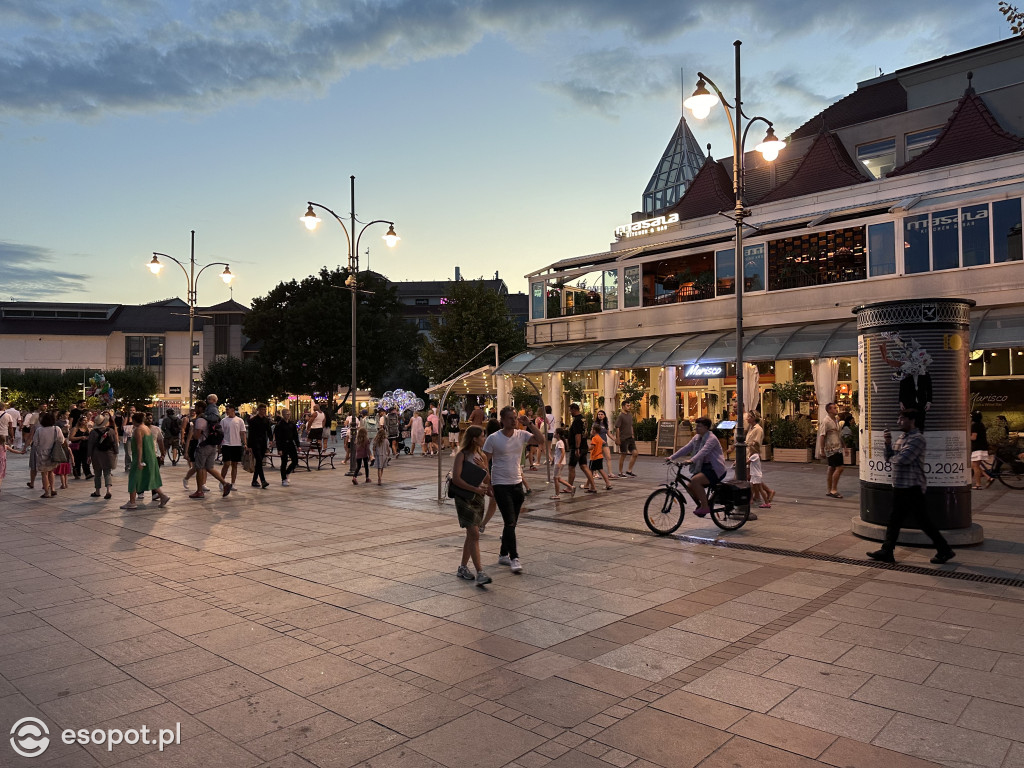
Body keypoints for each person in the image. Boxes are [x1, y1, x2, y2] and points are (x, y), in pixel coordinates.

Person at [868, 409, 955, 565]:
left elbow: (904, 459)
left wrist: (894, 457)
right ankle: (887, 551)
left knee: (921, 521)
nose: (898, 422)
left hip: (912, 486)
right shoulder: (902, 438)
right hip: (900, 485)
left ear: (911, 420)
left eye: (902, 419)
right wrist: (887, 443)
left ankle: (944, 550)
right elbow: (890, 458)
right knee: (896, 519)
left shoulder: (917, 439)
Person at [482, 407, 543, 574]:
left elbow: (540, 439)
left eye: (515, 418)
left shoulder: (521, 435)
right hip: (500, 484)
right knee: (509, 521)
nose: (513, 421)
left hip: (517, 483)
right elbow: (484, 462)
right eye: (510, 418)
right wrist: (488, 483)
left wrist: (529, 424)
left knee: (512, 523)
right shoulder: (493, 438)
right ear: (502, 420)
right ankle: (514, 557)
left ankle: (503, 553)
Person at [452, 425, 493, 587]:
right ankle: (480, 572)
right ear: (474, 438)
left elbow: (487, 479)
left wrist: (484, 468)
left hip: (478, 497)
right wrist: (474, 488)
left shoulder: (482, 455)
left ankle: (462, 567)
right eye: (482, 436)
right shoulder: (461, 455)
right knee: (475, 534)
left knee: (471, 535)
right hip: (464, 497)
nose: (484, 439)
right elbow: (456, 479)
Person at [668, 417, 726, 518]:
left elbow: (703, 451)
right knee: (689, 487)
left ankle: (705, 506)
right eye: (696, 426)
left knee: (695, 481)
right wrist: (671, 457)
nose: (696, 428)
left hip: (715, 469)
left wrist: (691, 460)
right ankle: (704, 503)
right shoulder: (697, 437)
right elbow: (686, 448)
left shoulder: (711, 438)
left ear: (706, 427)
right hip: (704, 467)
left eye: (699, 426)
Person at [123, 412, 170, 509]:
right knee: (149, 478)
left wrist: (139, 460)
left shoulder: (138, 430)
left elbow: (139, 446)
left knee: (133, 478)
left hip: (142, 457)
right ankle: (163, 496)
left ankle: (132, 502)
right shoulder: (147, 429)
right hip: (150, 457)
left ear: (135, 420)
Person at [189, 411, 232, 499]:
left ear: (200, 408)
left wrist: (192, 431)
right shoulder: (214, 420)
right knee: (209, 467)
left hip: (203, 446)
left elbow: (196, 436)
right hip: (212, 446)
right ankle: (225, 483)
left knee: (199, 468)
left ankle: (199, 491)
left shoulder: (201, 420)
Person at [32, 411, 66, 499]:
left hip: (42, 453)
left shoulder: (39, 430)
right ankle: (53, 488)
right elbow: (62, 440)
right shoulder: (56, 429)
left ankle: (46, 492)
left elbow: (35, 443)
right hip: (53, 453)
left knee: (44, 474)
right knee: (52, 472)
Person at [746, 411, 773, 510]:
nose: (747, 418)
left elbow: (755, 444)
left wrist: (749, 457)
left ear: (753, 418)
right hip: (749, 454)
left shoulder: (758, 429)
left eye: (749, 417)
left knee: (752, 480)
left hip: (751, 454)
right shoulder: (751, 428)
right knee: (752, 480)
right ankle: (758, 496)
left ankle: (761, 496)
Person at [87, 414, 118, 499]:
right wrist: (116, 452)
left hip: (96, 454)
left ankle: (97, 491)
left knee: (97, 474)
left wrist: (89, 456)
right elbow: (114, 442)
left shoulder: (93, 432)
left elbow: (90, 445)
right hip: (108, 453)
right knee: (107, 473)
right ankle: (108, 490)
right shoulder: (110, 431)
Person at [817, 402, 845, 498]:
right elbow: (822, 436)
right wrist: (822, 449)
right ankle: (833, 489)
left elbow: (839, 434)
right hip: (832, 448)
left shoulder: (836, 420)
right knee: (839, 468)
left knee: (832, 468)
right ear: (829, 410)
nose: (836, 409)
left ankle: (829, 490)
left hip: (838, 447)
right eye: (834, 408)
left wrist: (844, 446)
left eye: (836, 408)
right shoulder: (826, 421)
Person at [566, 403, 595, 493]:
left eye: (570, 410)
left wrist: (577, 448)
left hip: (577, 447)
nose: (570, 412)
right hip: (584, 446)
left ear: (574, 410)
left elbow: (578, 434)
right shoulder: (583, 419)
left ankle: (569, 487)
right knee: (584, 466)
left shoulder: (577, 421)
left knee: (571, 467)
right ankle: (593, 486)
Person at [220, 404, 248, 487]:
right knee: (226, 463)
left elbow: (242, 433)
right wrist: (220, 445)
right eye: (226, 409)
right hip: (226, 444)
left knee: (234, 464)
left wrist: (245, 443)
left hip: (236, 444)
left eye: (228, 409)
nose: (226, 411)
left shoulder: (239, 420)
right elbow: (221, 433)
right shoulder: (224, 421)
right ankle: (222, 481)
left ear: (232, 410)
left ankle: (233, 482)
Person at [247, 404, 272, 489]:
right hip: (255, 443)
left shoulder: (266, 420)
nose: (263, 411)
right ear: (258, 410)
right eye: (261, 409)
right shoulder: (253, 420)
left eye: (264, 409)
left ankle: (254, 480)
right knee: (258, 460)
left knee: (259, 462)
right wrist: (249, 445)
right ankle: (263, 480)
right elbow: (250, 433)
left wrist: (271, 440)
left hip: (263, 443)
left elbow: (269, 431)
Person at [275, 410, 300, 486]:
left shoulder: (292, 424)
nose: (288, 415)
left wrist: (298, 445)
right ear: (283, 415)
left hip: (291, 444)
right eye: (287, 414)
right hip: (283, 444)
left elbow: (295, 435)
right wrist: (279, 449)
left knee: (295, 461)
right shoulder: (279, 425)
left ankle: (287, 472)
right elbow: (278, 438)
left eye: (289, 414)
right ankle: (284, 479)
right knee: (284, 462)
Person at [615, 401, 639, 478]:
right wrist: (618, 438)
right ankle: (620, 472)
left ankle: (629, 471)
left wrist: (632, 434)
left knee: (635, 453)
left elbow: (631, 425)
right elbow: (617, 427)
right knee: (623, 454)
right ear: (623, 406)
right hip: (623, 438)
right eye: (627, 405)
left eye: (629, 405)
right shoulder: (620, 416)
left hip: (630, 437)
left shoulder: (630, 415)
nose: (629, 407)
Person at [587, 422, 613, 491]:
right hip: (600, 456)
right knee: (600, 470)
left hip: (594, 457)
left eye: (591, 429)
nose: (591, 431)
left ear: (594, 431)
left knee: (590, 472)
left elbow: (592, 447)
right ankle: (608, 483)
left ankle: (592, 487)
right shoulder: (599, 438)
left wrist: (586, 447)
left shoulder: (594, 438)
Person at [550, 427, 573, 498]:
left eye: (554, 432)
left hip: (559, 462)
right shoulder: (559, 442)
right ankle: (571, 487)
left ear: (558, 434)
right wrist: (553, 461)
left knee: (555, 478)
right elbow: (557, 454)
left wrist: (559, 462)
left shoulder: (559, 442)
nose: (553, 434)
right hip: (558, 461)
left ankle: (557, 494)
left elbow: (563, 453)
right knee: (558, 478)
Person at [970, 411, 989, 490]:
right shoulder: (981, 424)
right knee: (974, 465)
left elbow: (974, 437)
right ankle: (988, 477)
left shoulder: (974, 426)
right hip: (982, 447)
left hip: (977, 448)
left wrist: (966, 435)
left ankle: (978, 484)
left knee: (975, 466)